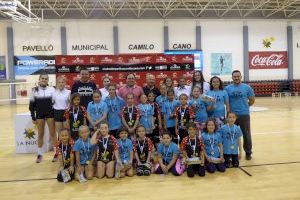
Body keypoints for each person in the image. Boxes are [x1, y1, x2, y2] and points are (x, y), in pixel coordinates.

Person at [225, 70, 255, 160]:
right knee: (230, 134)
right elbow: (226, 102)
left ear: (241, 77)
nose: (236, 78)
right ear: (232, 77)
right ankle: (230, 152)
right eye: (234, 76)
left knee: (246, 134)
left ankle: (248, 152)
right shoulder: (228, 88)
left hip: (244, 114)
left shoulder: (247, 87)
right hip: (232, 116)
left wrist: (246, 106)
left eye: (238, 76)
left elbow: (252, 100)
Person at [29, 73, 56, 163]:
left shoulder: (52, 89)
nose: (44, 80)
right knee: (40, 134)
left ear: (48, 80)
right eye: (42, 78)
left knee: (53, 134)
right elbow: (31, 105)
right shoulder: (34, 90)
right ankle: (40, 154)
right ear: (39, 79)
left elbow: (55, 102)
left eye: (46, 79)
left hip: (50, 115)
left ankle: (56, 153)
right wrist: (33, 116)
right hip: (39, 115)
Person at [53, 76, 70, 141]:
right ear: (57, 83)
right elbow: (52, 102)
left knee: (67, 132)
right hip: (57, 113)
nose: (61, 84)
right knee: (59, 133)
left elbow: (70, 104)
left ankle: (69, 149)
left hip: (66, 113)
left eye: (62, 82)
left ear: (65, 83)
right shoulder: (53, 93)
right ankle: (60, 149)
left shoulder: (69, 92)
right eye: (59, 82)